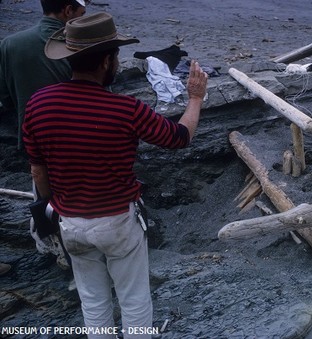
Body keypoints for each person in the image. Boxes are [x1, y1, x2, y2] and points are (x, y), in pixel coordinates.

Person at [23, 12, 208, 337]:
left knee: (93, 302)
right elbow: (180, 138)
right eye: (116, 57)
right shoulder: (126, 109)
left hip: (71, 224)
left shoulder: (38, 104)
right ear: (107, 60)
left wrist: (53, 206)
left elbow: (37, 169)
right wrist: (195, 98)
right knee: (134, 301)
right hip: (117, 223)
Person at [0, 0, 88, 150]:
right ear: (68, 11)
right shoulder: (81, 46)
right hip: (76, 143)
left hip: (31, 143)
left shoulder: (9, 44)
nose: (83, 20)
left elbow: (5, 97)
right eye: (82, 14)